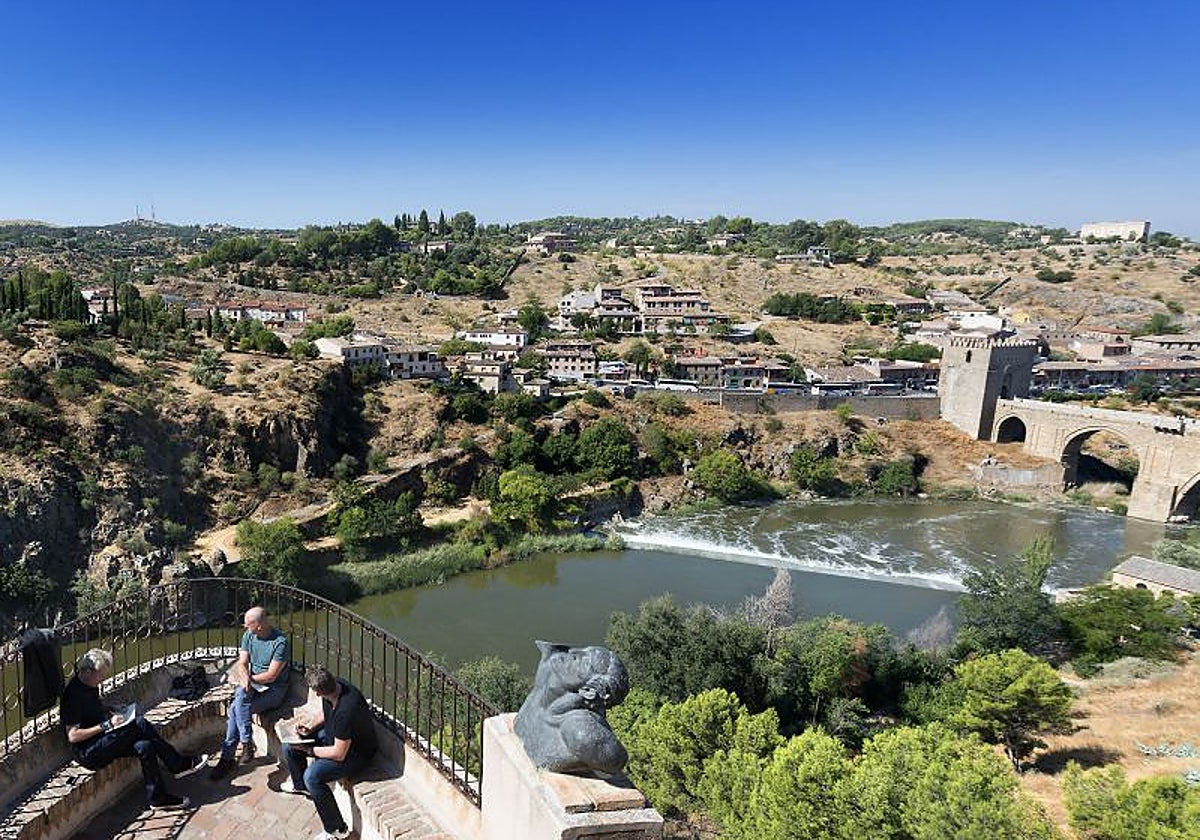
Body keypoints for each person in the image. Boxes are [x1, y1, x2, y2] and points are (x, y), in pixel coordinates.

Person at [60, 648, 208, 811]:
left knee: (145, 746)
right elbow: (72, 736)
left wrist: (111, 708)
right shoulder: (72, 696)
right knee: (140, 724)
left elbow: (92, 707)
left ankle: (158, 798)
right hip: (89, 752)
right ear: (87, 671)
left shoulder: (90, 684)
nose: (103, 679)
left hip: (104, 739)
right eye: (100, 675)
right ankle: (177, 764)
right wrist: (107, 725)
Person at [280, 666, 379, 840]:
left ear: (318, 693)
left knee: (313, 776)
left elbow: (339, 753)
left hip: (355, 754)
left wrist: (310, 750)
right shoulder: (336, 686)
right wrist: (310, 726)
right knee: (289, 746)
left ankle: (336, 830)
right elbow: (325, 713)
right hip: (337, 737)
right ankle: (301, 787)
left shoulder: (346, 711)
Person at [210, 606, 290, 779]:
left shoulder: (280, 642)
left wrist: (249, 680)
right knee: (237, 706)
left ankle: (228, 758)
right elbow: (242, 662)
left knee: (235, 709)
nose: (245, 628)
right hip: (253, 684)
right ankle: (245, 744)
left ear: (259, 625)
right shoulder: (249, 636)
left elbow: (271, 675)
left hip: (274, 689)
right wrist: (245, 677)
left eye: (248, 624)